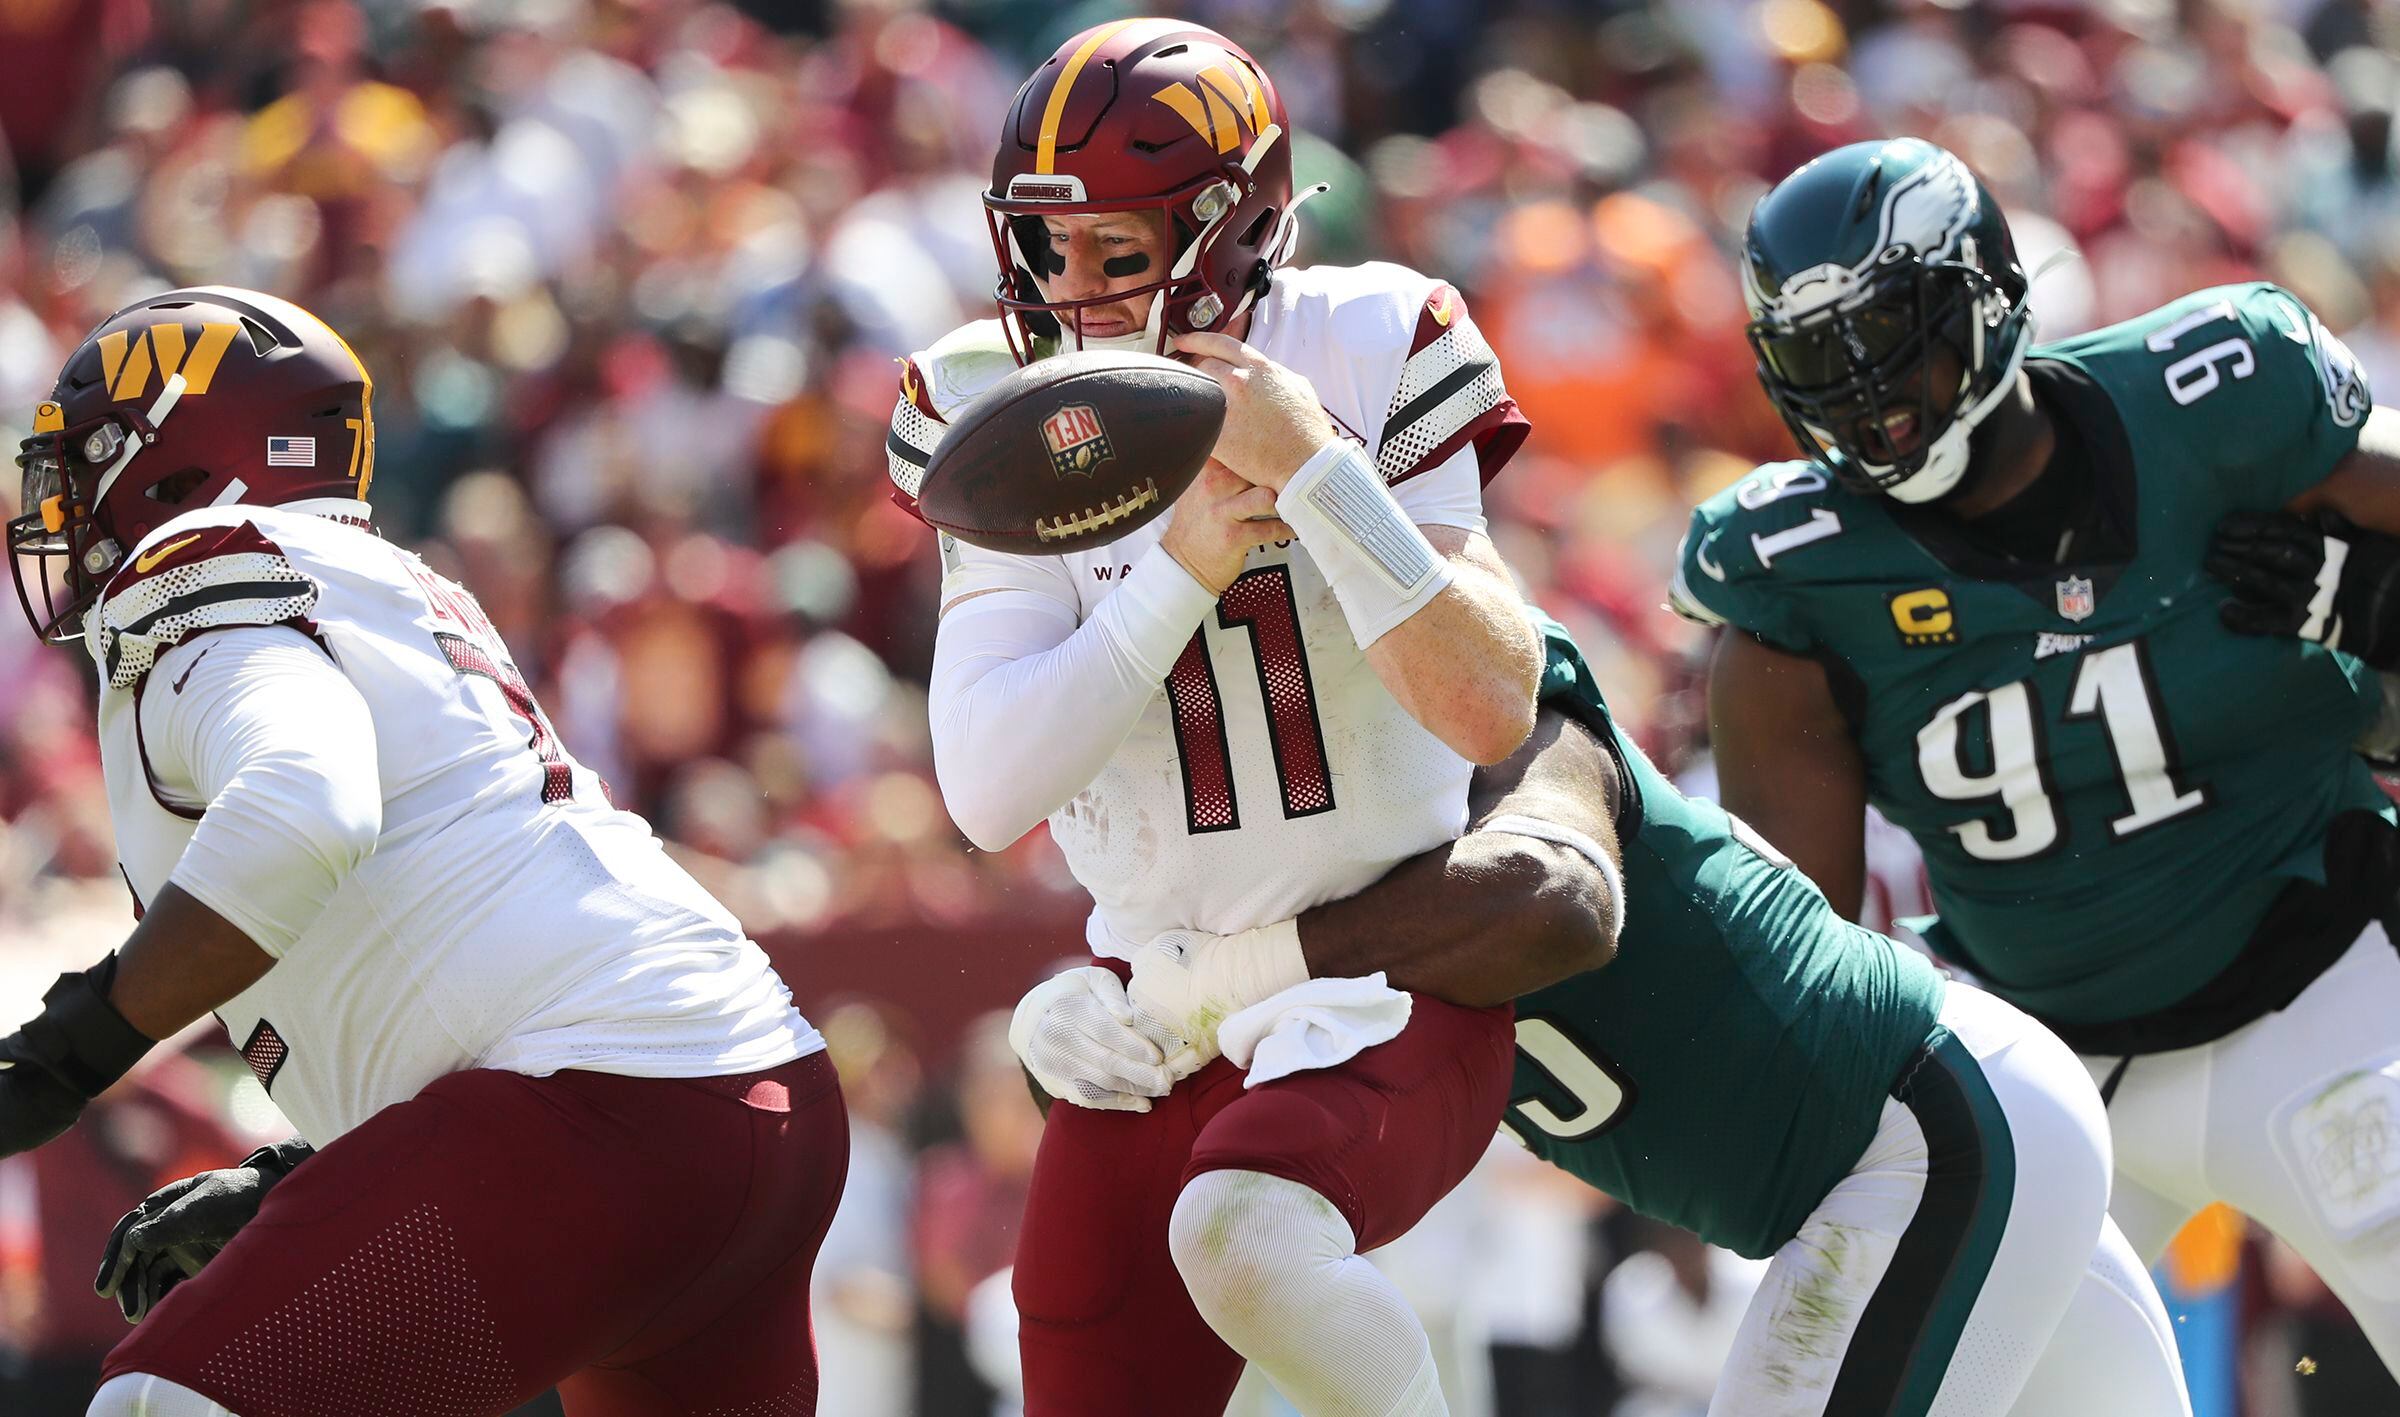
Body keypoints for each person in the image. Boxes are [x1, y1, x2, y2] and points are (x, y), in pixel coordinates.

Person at [0, 285, 845, 1416]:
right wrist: (296, 1176)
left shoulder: (205, 581)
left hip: (601, 1107)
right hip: (754, 1095)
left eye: (93, 453)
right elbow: (463, 924)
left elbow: (307, 809)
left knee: (164, 1404)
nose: (67, 502)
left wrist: (68, 1051)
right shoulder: (386, 584)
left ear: (176, 459)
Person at [887, 18, 1539, 1415]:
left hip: (1377, 977)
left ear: (1234, 232)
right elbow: (989, 786)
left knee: (1243, 1240)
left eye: (1118, 251)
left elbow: (1490, 705)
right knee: (1076, 1351)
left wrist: (1318, 470)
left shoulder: (1369, 340)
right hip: (1161, 1009)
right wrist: (1181, 567)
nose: (1075, 293)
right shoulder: (984, 400)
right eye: (1043, 249)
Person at [1671, 135, 2400, 1373]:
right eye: (1818, 358)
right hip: (2042, 1067)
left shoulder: (2218, 402)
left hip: (2321, 987)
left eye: (1892, 331)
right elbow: (1801, 947)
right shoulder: (1799, 581)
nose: (1866, 393)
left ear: (1987, 292)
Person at [1104, 616, 2194, 1415]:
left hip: (1935, 1132)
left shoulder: (1507, 729)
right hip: (1921, 1157)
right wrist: (1081, 1017)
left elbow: (1553, 903)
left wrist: (1245, 968)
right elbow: (1168, 1074)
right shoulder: (1272, 878)